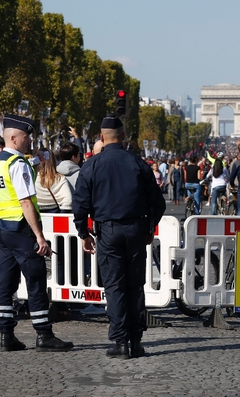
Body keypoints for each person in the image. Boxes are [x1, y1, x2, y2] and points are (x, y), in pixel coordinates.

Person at [72, 114, 166, 359]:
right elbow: (158, 202)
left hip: (108, 231)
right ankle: (136, 340)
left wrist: (83, 233)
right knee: (135, 286)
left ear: (102, 138)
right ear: (123, 137)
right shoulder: (138, 164)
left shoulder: (91, 165)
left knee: (114, 287)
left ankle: (120, 341)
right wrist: (149, 228)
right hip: (136, 230)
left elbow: (80, 204)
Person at [0, 114, 73, 352]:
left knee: (5, 283)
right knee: (35, 282)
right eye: (27, 137)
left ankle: (6, 334)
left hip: (4, 227)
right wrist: (39, 236)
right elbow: (26, 201)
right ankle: (44, 334)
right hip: (22, 230)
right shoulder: (17, 164)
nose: (30, 141)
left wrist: (35, 161)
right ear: (14, 138)